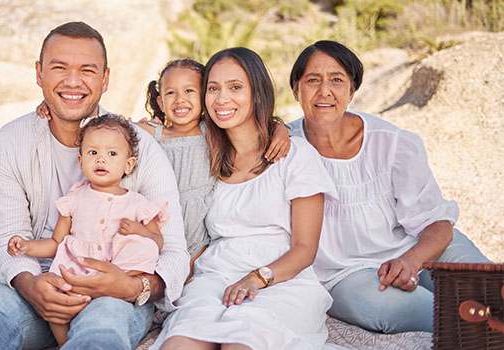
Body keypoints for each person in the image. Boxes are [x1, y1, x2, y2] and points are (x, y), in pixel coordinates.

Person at [0, 22, 188, 350]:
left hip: (117, 292)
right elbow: (7, 235)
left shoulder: (140, 147)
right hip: (38, 284)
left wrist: (133, 287)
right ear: (39, 73)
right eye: (60, 68)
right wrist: (31, 286)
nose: (73, 81)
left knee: (102, 328)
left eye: (87, 70)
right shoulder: (10, 144)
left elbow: (173, 251)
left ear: (105, 79)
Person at [286, 40, 490, 333]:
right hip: (345, 273)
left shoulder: (392, 143)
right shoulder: (284, 146)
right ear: (296, 89)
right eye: (312, 81)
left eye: (337, 80)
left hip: (417, 245)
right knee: (437, 313)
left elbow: (438, 223)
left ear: (352, 91)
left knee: (487, 290)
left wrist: (410, 260)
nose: (324, 92)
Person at [152, 47, 338, 350]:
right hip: (215, 273)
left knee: (241, 341)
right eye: (213, 88)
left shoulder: (295, 155)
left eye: (235, 87)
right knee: (181, 343)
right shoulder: (206, 152)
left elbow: (305, 249)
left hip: (280, 278)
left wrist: (256, 278)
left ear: (258, 93)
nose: (222, 99)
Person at [7, 114, 168, 346]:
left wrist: (139, 231)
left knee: (143, 248)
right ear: (81, 161)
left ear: (128, 164)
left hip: (115, 277)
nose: (101, 160)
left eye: (112, 154)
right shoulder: (74, 199)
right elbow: (56, 243)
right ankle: (65, 343)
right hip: (77, 272)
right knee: (58, 308)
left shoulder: (137, 204)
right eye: (93, 153)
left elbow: (158, 242)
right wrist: (27, 246)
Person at [138, 59, 290, 272]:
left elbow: (254, 124)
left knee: (190, 277)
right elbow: (117, 130)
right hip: (163, 222)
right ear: (161, 102)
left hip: (201, 230)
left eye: (189, 91)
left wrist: (281, 128)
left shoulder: (212, 132)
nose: (180, 100)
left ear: (204, 98)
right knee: (159, 272)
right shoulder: (153, 134)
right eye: (171, 93)